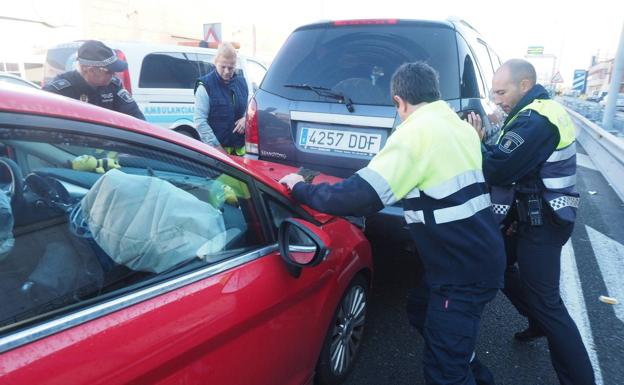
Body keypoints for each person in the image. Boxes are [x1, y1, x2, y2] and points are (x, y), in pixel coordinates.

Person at [280, 62, 505, 385]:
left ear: (400, 102)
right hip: (476, 254)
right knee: (421, 308)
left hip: (461, 272)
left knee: (445, 372)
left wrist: (301, 188)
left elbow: (362, 197)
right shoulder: (458, 127)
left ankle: (457, 360)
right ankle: (460, 353)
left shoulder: (415, 133)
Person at [467, 58, 595, 385]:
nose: (496, 99)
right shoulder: (527, 113)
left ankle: (580, 377)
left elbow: (498, 168)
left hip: (546, 223)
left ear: (524, 85)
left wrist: (476, 140)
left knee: (548, 303)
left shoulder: (538, 119)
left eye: (501, 91)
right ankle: (536, 319)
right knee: (499, 266)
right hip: (528, 216)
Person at [43, 40, 145, 120]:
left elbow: (136, 118)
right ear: (89, 70)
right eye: (109, 71)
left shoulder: (113, 86)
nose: (114, 75)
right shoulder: (58, 91)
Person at [193, 42, 248, 155]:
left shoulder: (242, 83)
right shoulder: (205, 86)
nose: (227, 71)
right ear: (215, 62)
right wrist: (218, 150)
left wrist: (246, 119)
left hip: (240, 153)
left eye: (231, 67)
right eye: (223, 67)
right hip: (216, 154)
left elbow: (249, 110)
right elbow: (200, 122)